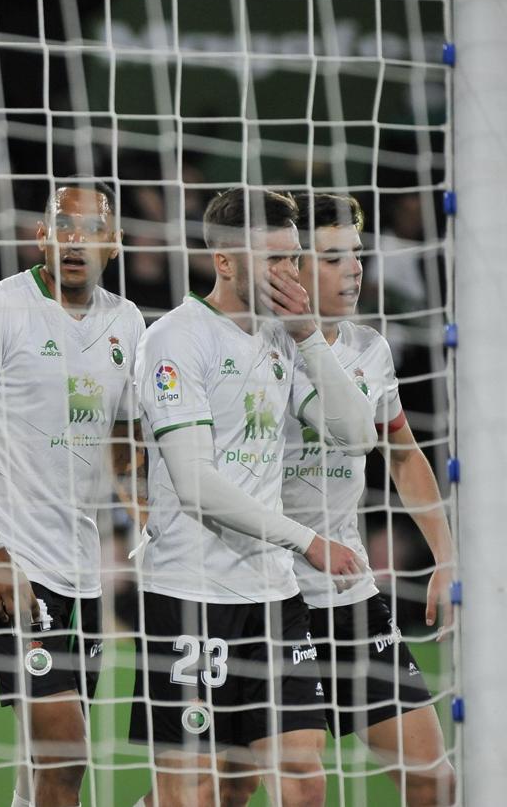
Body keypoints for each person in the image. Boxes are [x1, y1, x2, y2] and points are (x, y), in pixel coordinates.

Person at [129, 187, 375, 807]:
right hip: (190, 595)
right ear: (227, 262)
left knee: (303, 781)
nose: (291, 274)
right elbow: (195, 487)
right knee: (196, 796)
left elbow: (358, 435)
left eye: (294, 259)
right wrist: (308, 541)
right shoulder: (176, 339)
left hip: (274, 598)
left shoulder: (284, 338)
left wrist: (309, 337)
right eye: (275, 261)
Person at [0, 180, 144, 807]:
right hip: (5, 561)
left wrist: (148, 522)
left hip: (80, 569)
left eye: (89, 230)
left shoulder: (128, 322)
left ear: (114, 243)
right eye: (62, 225)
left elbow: (125, 445)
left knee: (45, 768)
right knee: (68, 752)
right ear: (40, 235)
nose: (74, 242)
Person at [275, 192, 454, 804]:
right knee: (282, 787)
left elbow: (403, 453)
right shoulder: (248, 348)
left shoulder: (369, 350)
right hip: (263, 595)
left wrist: (446, 558)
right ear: (291, 265)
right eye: (331, 257)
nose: (353, 268)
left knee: (433, 781)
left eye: (356, 253)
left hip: (349, 591)